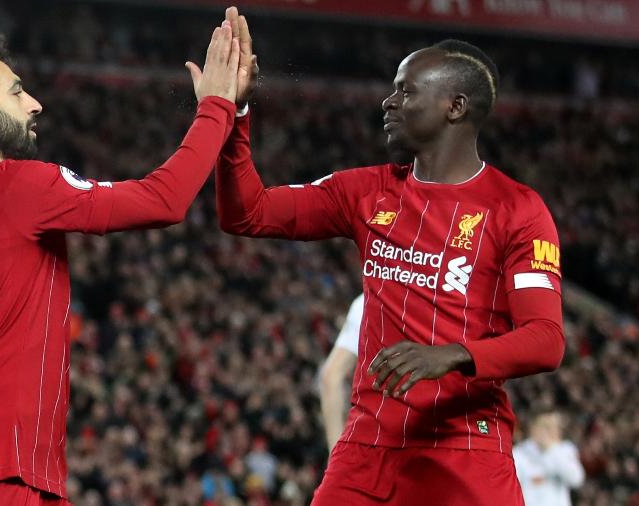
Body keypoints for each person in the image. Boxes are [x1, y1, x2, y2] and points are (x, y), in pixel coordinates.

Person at [0, 23, 241, 505]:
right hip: (7, 478)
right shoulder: (13, 185)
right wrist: (216, 108)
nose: (35, 103)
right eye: (17, 91)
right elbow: (164, 200)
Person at [217, 7, 565, 505]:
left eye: (406, 91)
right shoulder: (366, 192)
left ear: (455, 106)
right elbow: (246, 213)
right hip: (367, 449)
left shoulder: (516, 209)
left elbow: (546, 341)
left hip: (464, 447)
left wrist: (451, 354)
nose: (388, 102)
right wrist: (236, 116)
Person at [318, 294, 364, 450]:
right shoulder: (439, 292)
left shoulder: (369, 301)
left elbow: (330, 377)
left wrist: (335, 455)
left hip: (382, 440)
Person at [513, 410, 585, 506]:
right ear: (533, 427)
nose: (551, 431)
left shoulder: (566, 449)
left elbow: (577, 480)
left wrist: (552, 450)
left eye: (554, 426)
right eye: (546, 426)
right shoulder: (518, 453)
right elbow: (512, 488)